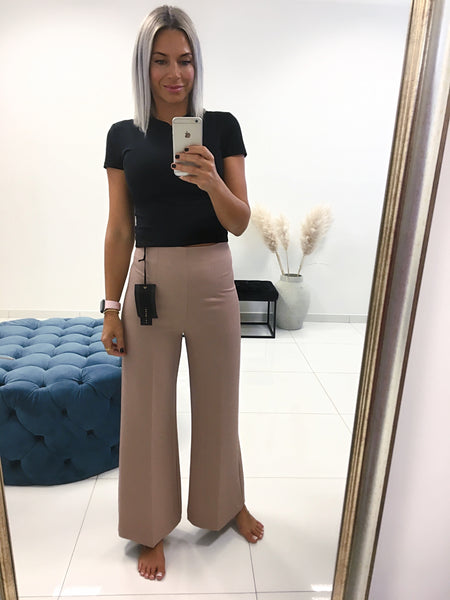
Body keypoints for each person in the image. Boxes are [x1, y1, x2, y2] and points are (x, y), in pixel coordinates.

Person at [101, 5, 264, 581]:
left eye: (185, 60)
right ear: (143, 67)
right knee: (146, 410)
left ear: (198, 64)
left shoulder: (221, 127)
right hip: (150, 283)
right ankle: (149, 527)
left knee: (220, 400)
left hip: (215, 278)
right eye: (161, 61)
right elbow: (119, 228)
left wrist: (211, 178)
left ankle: (226, 504)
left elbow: (240, 221)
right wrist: (110, 308)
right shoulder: (124, 136)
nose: (175, 73)